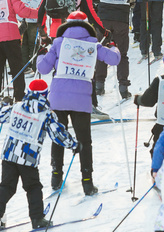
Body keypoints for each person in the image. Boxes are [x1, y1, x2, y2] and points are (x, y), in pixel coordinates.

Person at [37, 11, 120, 195]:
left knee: (58, 136)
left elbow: (43, 68)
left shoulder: (58, 43)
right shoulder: (92, 43)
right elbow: (114, 59)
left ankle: (56, 176)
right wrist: (114, 47)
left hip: (58, 98)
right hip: (81, 100)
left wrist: (41, 55)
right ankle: (87, 182)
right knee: (84, 141)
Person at [0, 79, 78, 229]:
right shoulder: (46, 114)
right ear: (45, 95)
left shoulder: (16, 107)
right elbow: (57, 134)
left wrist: (3, 103)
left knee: (6, 186)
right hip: (28, 157)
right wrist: (73, 144)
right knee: (33, 187)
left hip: (9, 153)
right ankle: (37, 218)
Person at [91, 0, 151, 97]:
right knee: (122, 54)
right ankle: (123, 87)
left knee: (101, 51)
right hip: (121, 19)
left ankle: (99, 85)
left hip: (103, 19)